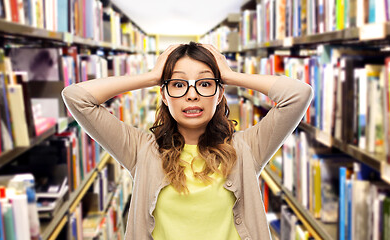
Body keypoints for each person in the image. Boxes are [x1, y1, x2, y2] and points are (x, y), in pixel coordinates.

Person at [62, 42, 313, 240]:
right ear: (163, 94)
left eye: (204, 84)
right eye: (178, 84)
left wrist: (228, 74)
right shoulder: (140, 149)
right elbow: (76, 98)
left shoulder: (247, 148)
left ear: (219, 93)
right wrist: (152, 77)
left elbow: (298, 94)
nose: (192, 95)